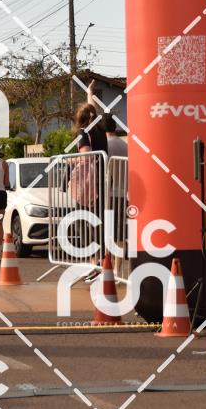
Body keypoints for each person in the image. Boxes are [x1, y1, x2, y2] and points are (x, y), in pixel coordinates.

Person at [72, 80, 107, 281]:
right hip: (101, 182)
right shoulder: (99, 130)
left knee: (84, 223)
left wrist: (68, 161)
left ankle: (94, 264)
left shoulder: (82, 133)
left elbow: (85, 156)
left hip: (88, 186)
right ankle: (101, 263)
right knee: (99, 224)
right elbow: (93, 110)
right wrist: (90, 93)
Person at [104, 114, 128, 276]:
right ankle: (117, 268)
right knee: (120, 233)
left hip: (109, 194)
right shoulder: (124, 145)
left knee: (107, 232)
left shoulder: (105, 146)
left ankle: (107, 266)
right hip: (123, 192)